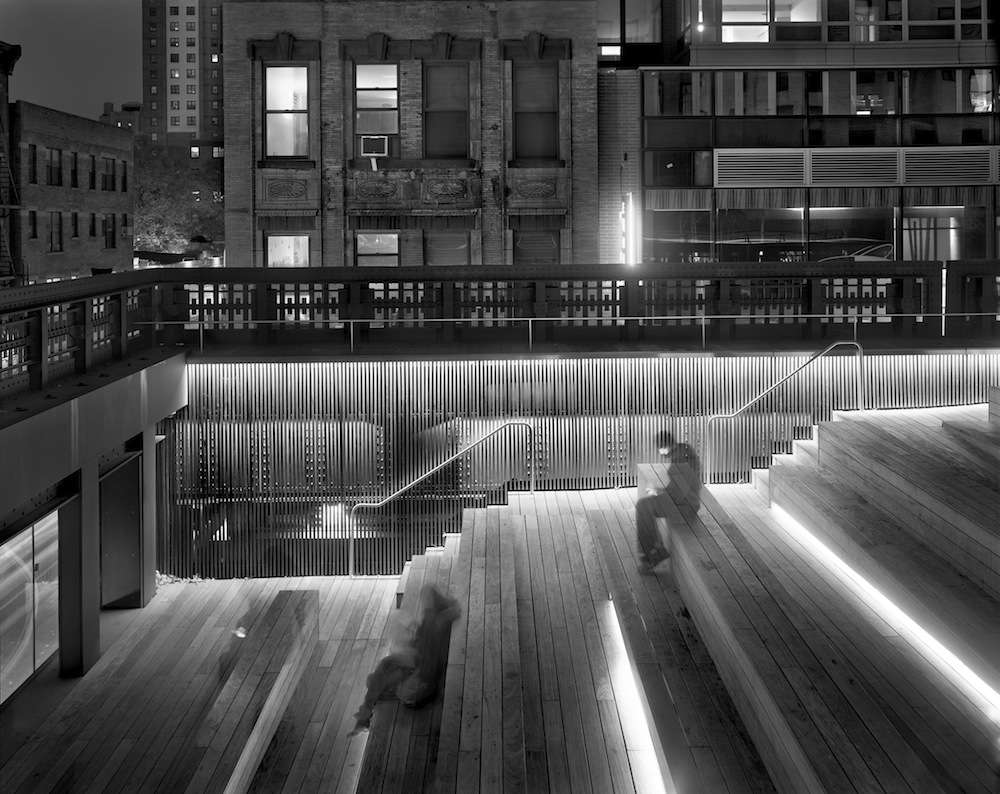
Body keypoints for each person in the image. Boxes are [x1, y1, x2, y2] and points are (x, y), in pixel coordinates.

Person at [350, 584, 461, 734]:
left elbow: (429, 670)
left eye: (428, 601)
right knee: (384, 668)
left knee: (377, 682)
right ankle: (365, 715)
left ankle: (366, 714)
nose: (425, 605)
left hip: (422, 679)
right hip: (419, 661)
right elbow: (422, 642)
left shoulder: (438, 623)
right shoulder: (434, 617)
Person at [635, 430, 702, 573]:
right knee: (647, 504)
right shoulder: (684, 451)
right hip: (688, 501)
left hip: (685, 506)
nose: (660, 452)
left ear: (665, 445)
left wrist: (658, 493)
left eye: (660, 448)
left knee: (643, 506)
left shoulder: (681, 459)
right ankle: (655, 549)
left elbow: (679, 493)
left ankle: (653, 555)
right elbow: (682, 487)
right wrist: (660, 493)